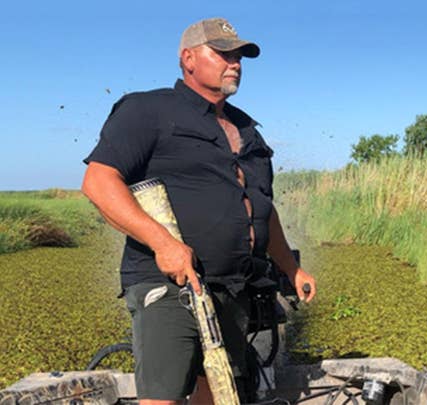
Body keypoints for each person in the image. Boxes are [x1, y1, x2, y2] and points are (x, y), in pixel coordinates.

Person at [81, 17, 316, 405]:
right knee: (164, 396)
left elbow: (260, 207)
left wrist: (290, 268)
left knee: (220, 392)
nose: (235, 62)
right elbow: (99, 182)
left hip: (234, 288)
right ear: (188, 59)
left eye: (239, 55)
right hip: (170, 285)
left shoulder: (248, 130)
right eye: (223, 53)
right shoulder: (149, 110)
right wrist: (163, 243)